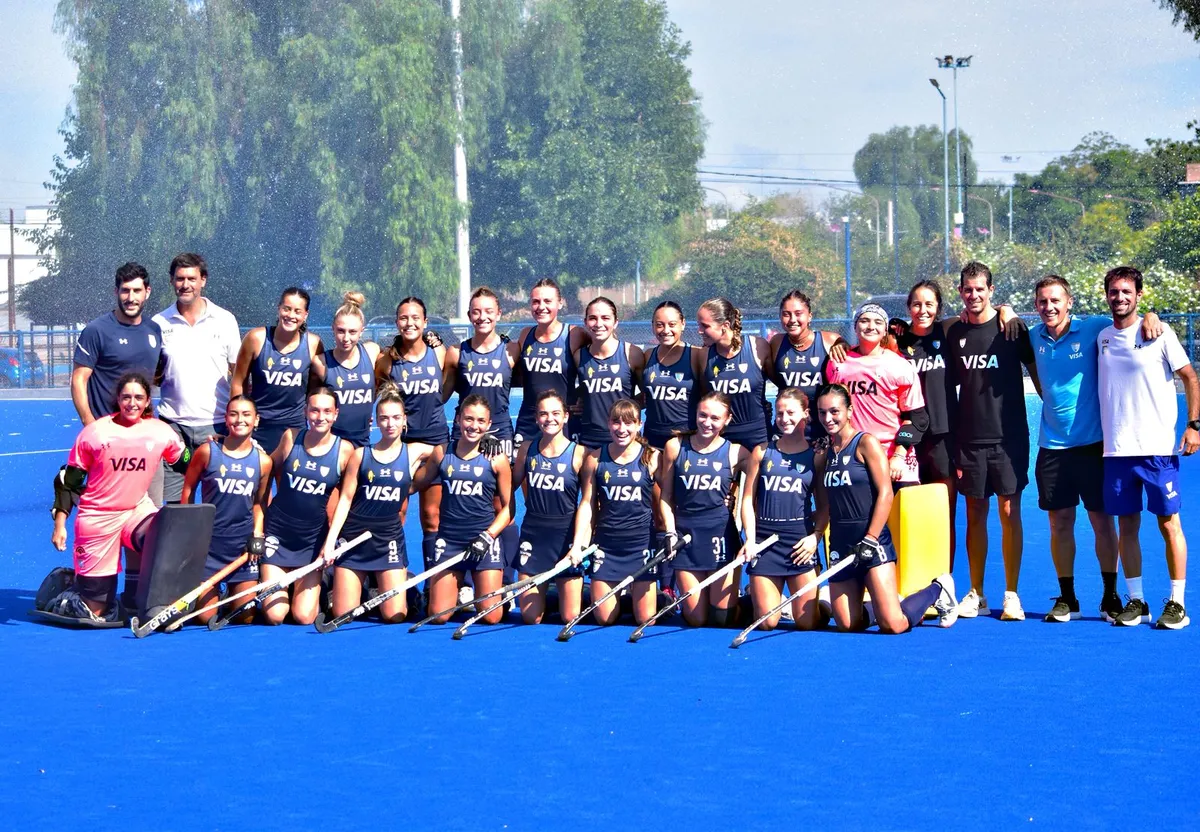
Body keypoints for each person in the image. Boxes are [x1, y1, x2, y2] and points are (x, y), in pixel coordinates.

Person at [1031, 275, 1162, 622]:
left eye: (1056, 300)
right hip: (1052, 448)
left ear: (1069, 302)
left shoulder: (1094, 328)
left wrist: (1151, 315)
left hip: (1094, 447)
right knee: (1059, 524)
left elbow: (1128, 320)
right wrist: (1003, 311)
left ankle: (1110, 596)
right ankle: (1067, 599)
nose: (1049, 307)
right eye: (1043, 301)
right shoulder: (1032, 336)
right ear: (1036, 305)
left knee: (1103, 523)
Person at [1097, 266, 1200, 629]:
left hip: (1157, 449)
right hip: (1116, 452)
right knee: (1127, 526)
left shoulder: (1160, 332)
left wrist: (1194, 425)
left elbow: (1190, 377)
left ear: (1139, 295)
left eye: (1127, 291)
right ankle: (1137, 601)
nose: (1120, 297)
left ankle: (1177, 604)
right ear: (1106, 295)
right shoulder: (1102, 336)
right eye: (1114, 291)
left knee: (1169, 524)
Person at [810, 383, 958, 632]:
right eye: (822, 412)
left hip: (871, 540)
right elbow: (824, 504)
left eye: (834, 411)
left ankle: (938, 589)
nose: (828, 418)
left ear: (849, 411)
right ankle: (879, 606)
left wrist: (870, 538)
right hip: (841, 544)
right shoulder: (824, 453)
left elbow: (886, 493)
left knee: (893, 625)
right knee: (847, 624)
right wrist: (812, 532)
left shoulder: (865, 443)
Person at [51, 372, 186, 620]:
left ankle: (134, 599)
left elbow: (184, 461)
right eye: (126, 397)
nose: (132, 403)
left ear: (147, 401)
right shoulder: (95, 433)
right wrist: (60, 523)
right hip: (98, 517)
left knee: (161, 536)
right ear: (118, 399)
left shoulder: (160, 431)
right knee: (96, 611)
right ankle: (64, 595)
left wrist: (210, 451)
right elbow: (68, 482)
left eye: (139, 398)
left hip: (137, 510)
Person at [947, 261, 1040, 622]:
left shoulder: (1012, 329)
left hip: (1009, 437)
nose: (974, 295)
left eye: (980, 289)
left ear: (991, 291)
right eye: (968, 289)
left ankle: (1012, 594)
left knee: (1009, 512)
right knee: (975, 513)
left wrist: (1052, 403)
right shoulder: (954, 332)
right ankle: (977, 593)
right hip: (969, 439)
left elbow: (1036, 370)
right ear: (960, 292)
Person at [320, 385, 439, 623]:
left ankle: (406, 587)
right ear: (375, 421)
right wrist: (331, 541)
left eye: (396, 417)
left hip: (388, 539)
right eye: (384, 418)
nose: (390, 424)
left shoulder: (414, 452)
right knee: (343, 614)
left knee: (395, 615)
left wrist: (484, 441)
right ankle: (356, 586)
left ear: (404, 420)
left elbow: (449, 450)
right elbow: (345, 499)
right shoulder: (360, 455)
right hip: (355, 537)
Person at [658, 391, 754, 627]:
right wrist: (670, 531)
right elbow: (666, 496)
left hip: (720, 536)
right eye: (703, 415)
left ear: (727, 420)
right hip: (687, 536)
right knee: (696, 618)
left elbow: (758, 488)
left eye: (715, 418)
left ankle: (755, 600)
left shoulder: (737, 452)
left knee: (721, 618)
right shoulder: (675, 446)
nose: (707, 423)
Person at [153, 252, 243, 503]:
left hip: (216, 427)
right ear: (171, 281)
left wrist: (237, 418)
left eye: (191, 278)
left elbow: (238, 372)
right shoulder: (158, 323)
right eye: (180, 278)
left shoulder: (225, 320)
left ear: (203, 280)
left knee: (219, 505)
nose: (185, 284)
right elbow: (152, 375)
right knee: (176, 506)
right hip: (173, 428)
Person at [259, 387, 353, 625]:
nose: (320, 417)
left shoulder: (344, 450)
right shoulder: (291, 438)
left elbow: (346, 499)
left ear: (336, 414)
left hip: (312, 541)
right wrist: (233, 447)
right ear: (305, 411)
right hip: (278, 535)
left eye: (327, 411)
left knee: (303, 617)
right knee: (275, 615)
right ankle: (282, 582)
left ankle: (323, 584)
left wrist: (330, 541)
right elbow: (265, 467)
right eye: (314, 410)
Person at [419, 395, 513, 625]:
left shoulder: (497, 458)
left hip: (484, 541)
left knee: (491, 617)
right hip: (450, 541)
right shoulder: (442, 452)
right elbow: (414, 484)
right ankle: (435, 592)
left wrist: (488, 536)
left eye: (481, 421)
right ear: (458, 419)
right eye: (469, 419)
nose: (474, 426)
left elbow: (510, 508)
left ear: (489, 425)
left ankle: (498, 594)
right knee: (438, 616)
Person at [179, 395, 273, 625]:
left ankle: (236, 591)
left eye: (246, 414)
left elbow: (260, 503)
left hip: (241, 548)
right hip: (209, 544)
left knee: (245, 617)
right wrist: (189, 528)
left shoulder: (263, 461)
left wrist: (257, 533)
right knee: (205, 618)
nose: (240, 420)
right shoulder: (207, 451)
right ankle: (214, 594)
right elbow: (189, 488)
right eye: (234, 414)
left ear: (256, 420)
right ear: (226, 418)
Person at [572, 398, 662, 626]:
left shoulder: (652, 457)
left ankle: (656, 598)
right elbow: (587, 504)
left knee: (646, 619)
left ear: (639, 425)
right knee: (604, 618)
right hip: (608, 546)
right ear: (608, 423)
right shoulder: (594, 458)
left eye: (629, 423)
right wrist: (578, 545)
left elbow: (671, 498)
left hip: (641, 545)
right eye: (616, 422)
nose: (622, 429)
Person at [740, 388, 822, 630]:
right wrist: (750, 540)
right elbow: (747, 499)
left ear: (805, 413)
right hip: (766, 542)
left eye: (791, 413)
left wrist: (815, 537)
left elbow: (825, 506)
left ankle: (825, 602)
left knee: (807, 623)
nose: (784, 419)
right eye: (779, 413)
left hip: (799, 543)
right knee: (767, 622)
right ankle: (755, 596)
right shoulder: (762, 451)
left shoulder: (816, 455)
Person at [825, 303, 927, 488]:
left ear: (885, 330)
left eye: (878, 322)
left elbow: (917, 419)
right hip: (853, 459)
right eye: (864, 321)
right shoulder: (838, 362)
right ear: (855, 327)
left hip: (894, 461)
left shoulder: (900, 365)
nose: (871, 326)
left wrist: (898, 456)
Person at [374, 296, 449, 536]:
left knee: (432, 517)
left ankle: (434, 562)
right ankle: (390, 558)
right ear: (397, 322)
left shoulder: (439, 353)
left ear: (425, 322)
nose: (410, 323)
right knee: (396, 513)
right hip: (401, 443)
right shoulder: (387, 361)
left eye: (416, 318)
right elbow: (373, 393)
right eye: (404, 318)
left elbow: (446, 391)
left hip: (435, 440)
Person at [512, 390, 587, 624]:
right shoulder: (527, 449)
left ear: (566, 416)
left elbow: (588, 502)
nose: (549, 419)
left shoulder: (579, 453)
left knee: (570, 617)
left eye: (555, 413)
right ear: (536, 418)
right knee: (530, 617)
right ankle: (549, 593)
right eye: (543, 414)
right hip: (534, 535)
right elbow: (507, 485)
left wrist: (579, 544)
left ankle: (574, 593)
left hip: (565, 537)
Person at [231, 287, 326, 455]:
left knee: (289, 473)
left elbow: (316, 390)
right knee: (259, 472)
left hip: (295, 428)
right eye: (286, 309)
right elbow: (238, 382)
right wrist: (239, 418)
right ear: (279, 308)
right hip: (258, 427)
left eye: (297, 311)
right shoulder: (256, 338)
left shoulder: (313, 344)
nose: (291, 315)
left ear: (305, 315)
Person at [72, 262, 162, 427]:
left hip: (143, 429)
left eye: (137, 291)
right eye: (125, 290)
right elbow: (79, 379)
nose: (131, 298)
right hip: (106, 430)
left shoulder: (154, 329)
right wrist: (89, 423)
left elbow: (155, 378)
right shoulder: (96, 330)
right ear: (116, 292)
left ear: (147, 292)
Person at [444, 287, 519, 459]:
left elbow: (535, 381)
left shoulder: (513, 350)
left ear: (498, 314)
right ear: (469, 315)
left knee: (501, 476)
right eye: (476, 312)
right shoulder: (456, 352)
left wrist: (576, 397)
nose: (482, 317)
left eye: (488, 311)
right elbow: (439, 397)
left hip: (500, 431)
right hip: (466, 430)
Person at [513, 278, 591, 444]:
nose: (541, 307)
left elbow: (599, 364)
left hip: (563, 420)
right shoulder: (525, 335)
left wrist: (584, 396)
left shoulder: (575, 334)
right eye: (536, 302)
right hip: (529, 421)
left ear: (560, 303)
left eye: (548, 301)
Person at [698, 298, 772, 450]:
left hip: (758, 436)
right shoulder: (703, 355)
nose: (699, 330)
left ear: (725, 326)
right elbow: (705, 395)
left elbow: (781, 383)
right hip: (721, 438)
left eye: (705, 326)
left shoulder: (757, 346)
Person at [769, 291, 844, 440]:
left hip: (822, 433)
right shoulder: (776, 343)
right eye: (786, 314)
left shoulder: (830, 341)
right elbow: (770, 375)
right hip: (787, 432)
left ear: (810, 316)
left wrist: (843, 343)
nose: (792, 320)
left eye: (798, 314)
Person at [574, 297, 644, 449]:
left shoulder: (632, 353)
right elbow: (581, 388)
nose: (599, 324)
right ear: (585, 322)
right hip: (589, 439)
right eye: (593, 318)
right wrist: (579, 400)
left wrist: (628, 408)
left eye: (605, 318)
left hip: (623, 438)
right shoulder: (579, 356)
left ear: (615, 322)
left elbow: (649, 394)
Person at [320, 292, 381, 447]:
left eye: (352, 332)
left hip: (363, 441)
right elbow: (309, 399)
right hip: (332, 445)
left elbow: (398, 358)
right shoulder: (320, 363)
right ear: (333, 329)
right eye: (341, 331)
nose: (346, 338)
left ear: (362, 331)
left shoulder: (372, 352)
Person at [642, 301, 703, 450]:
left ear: (683, 324)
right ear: (652, 326)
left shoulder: (697, 355)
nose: (666, 330)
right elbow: (642, 396)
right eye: (659, 325)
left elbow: (710, 395)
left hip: (686, 441)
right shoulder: (647, 356)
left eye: (672, 324)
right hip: (652, 440)